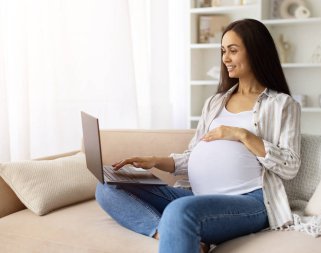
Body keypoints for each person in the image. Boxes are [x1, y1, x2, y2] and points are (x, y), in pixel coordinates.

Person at [95, 19, 301, 253]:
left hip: (250, 202)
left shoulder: (282, 104)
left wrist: (242, 134)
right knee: (107, 187)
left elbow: (290, 166)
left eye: (233, 51)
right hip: (197, 196)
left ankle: (175, 225)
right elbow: (193, 156)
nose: (225, 59)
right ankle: (163, 232)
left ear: (256, 51)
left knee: (179, 211)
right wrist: (155, 160)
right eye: (223, 51)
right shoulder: (215, 102)